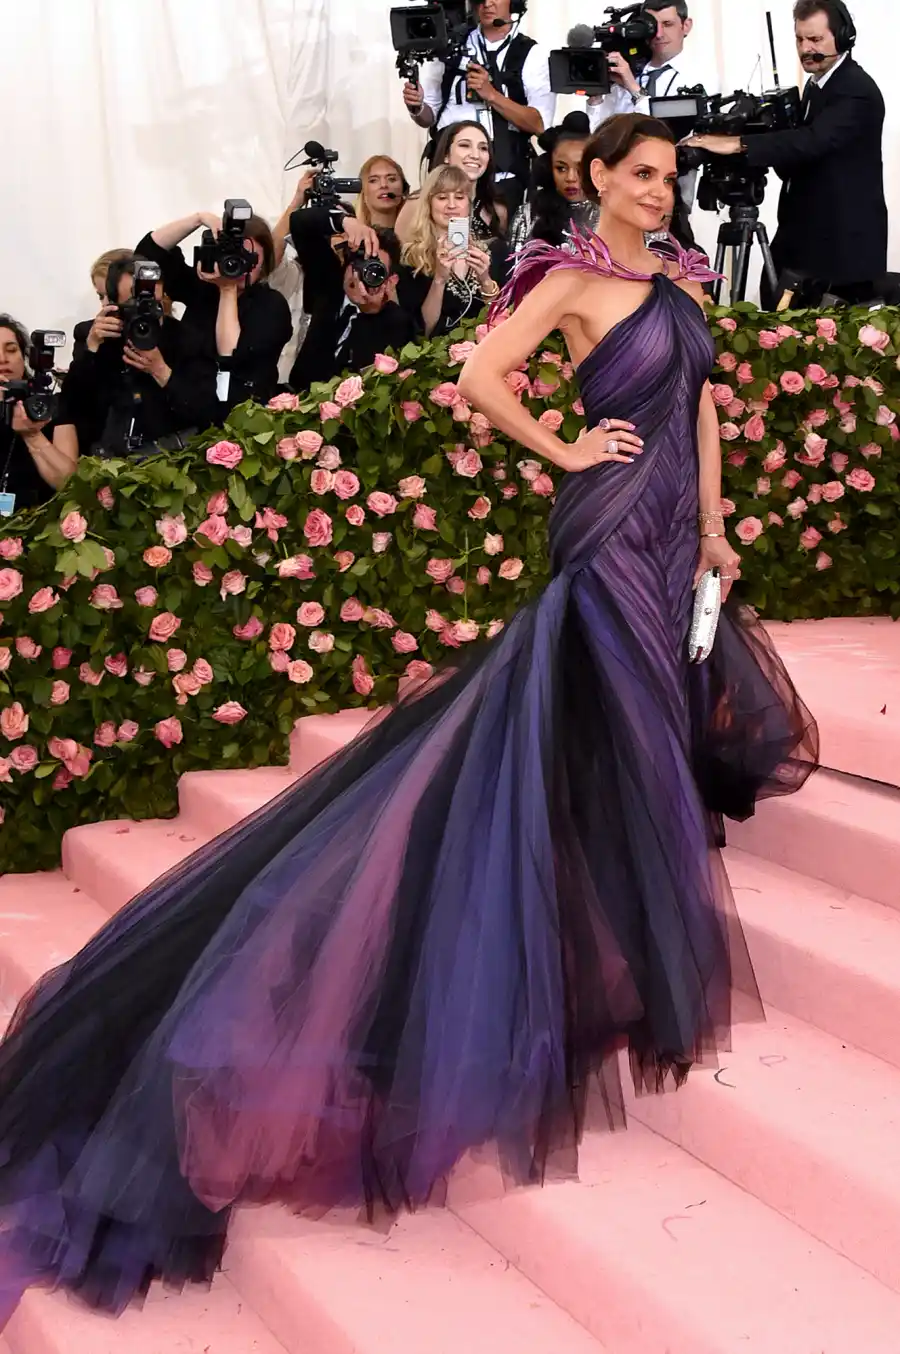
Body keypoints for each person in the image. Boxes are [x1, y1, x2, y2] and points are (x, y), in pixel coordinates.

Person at [0, 111, 818, 1330]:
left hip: (669, 533)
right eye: (640, 173)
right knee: (629, 710)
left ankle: (620, 929)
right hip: (605, 530)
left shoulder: (684, 280)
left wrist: (712, 522)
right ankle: (622, 950)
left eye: (668, 175)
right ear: (598, 177)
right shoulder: (571, 280)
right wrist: (567, 449)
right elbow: (479, 377)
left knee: (634, 716)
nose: (659, 190)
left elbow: (698, 402)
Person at [683, 0, 886, 307]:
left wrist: (738, 143)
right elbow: (797, 159)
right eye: (800, 39)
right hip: (804, 241)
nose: (805, 48)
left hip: (841, 254)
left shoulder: (856, 89)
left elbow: (813, 140)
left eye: (815, 39)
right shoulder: (817, 86)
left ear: (844, 37)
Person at [402, 0, 555, 215]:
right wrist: (417, 107)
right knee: (446, 236)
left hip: (504, 176)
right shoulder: (448, 46)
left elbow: (539, 124)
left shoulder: (532, 53)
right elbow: (429, 116)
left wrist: (492, 95)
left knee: (497, 234)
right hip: (447, 176)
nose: (487, 4)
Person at [135, 210, 292, 412]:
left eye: (248, 258)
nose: (239, 265)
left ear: (263, 264)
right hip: (186, 408)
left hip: (241, 414)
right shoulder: (204, 289)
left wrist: (228, 288)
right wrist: (199, 218)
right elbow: (149, 251)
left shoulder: (271, 305)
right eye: (233, 256)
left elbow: (230, 357)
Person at [61, 255, 213, 459]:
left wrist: (162, 372)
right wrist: (92, 348)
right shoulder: (97, 336)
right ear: (115, 303)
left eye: (152, 301)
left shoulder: (188, 338)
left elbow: (205, 410)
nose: (144, 308)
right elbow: (71, 405)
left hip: (169, 458)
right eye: (133, 301)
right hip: (106, 458)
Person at [287, 204, 415, 392]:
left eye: (375, 271)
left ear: (390, 281)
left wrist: (370, 310)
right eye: (360, 262)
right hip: (297, 397)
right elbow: (299, 222)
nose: (363, 274)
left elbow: (371, 386)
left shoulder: (398, 322)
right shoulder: (328, 284)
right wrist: (344, 221)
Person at [397, 165, 500, 336]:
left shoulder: (493, 251)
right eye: (442, 197)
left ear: (469, 203)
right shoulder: (412, 257)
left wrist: (485, 281)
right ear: (429, 203)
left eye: (459, 197)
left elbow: (504, 322)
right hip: (435, 350)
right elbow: (422, 332)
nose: (451, 205)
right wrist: (439, 279)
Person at [586, 1, 712, 130]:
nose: (659, 34)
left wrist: (634, 90)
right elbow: (600, 134)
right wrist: (595, 97)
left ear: (686, 26)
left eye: (667, 24)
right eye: (652, 27)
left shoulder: (702, 77)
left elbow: (665, 133)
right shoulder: (624, 73)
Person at [0, 315, 77, 511]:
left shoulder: (51, 404)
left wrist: (32, 435)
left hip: (40, 520)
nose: (3, 359)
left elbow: (69, 484)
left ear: (25, 356)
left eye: (11, 350)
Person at [396, 121, 508, 247]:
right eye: (465, 145)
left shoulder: (497, 210)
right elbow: (399, 254)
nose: (475, 155)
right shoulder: (417, 203)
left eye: (483, 148)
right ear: (446, 155)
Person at [508, 111, 598, 252]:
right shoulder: (527, 215)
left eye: (580, 168)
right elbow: (514, 264)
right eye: (561, 168)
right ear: (549, 168)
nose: (570, 178)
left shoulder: (612, 217)